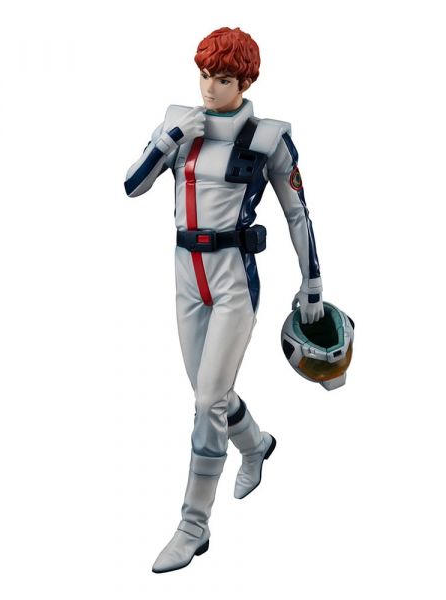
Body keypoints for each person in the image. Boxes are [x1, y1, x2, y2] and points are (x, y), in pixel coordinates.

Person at [124, 27, 324, 573]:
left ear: (245, 82)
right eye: (205, 76)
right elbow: (132, 186)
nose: (210, 89)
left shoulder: (268, 139)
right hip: (186, 274)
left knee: (207, 401)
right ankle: (255, 445)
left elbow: (298, 213)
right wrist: (167, 141)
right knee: (208, 393)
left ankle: (194, 525)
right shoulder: (178, 126)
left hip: (234, 277)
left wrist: (312, 282)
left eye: (224, 79)